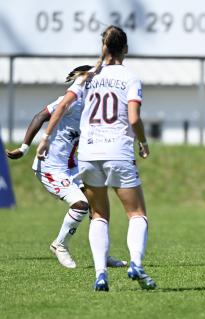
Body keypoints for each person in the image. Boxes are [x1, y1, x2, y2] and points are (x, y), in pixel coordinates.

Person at [36, 25, 156, 291]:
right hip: (118, 151)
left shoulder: (87, 77)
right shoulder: (130, 78)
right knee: (136, 214)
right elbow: (134, 118)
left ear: (103, 47)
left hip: (89, 154)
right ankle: (135, 262)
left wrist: (44, 139)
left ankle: (100, 274)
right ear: (125, 49)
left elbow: (63, 105)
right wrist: (144, 143)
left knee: (99, 215)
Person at [7, 65, 126, 269]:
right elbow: (40, 116)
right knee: (80, 204)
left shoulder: (95, 105)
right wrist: (24, 148)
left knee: (98, 206)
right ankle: (59, 245)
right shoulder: (72, 101)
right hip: (50, 167)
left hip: (73, 167)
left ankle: (102, 255)